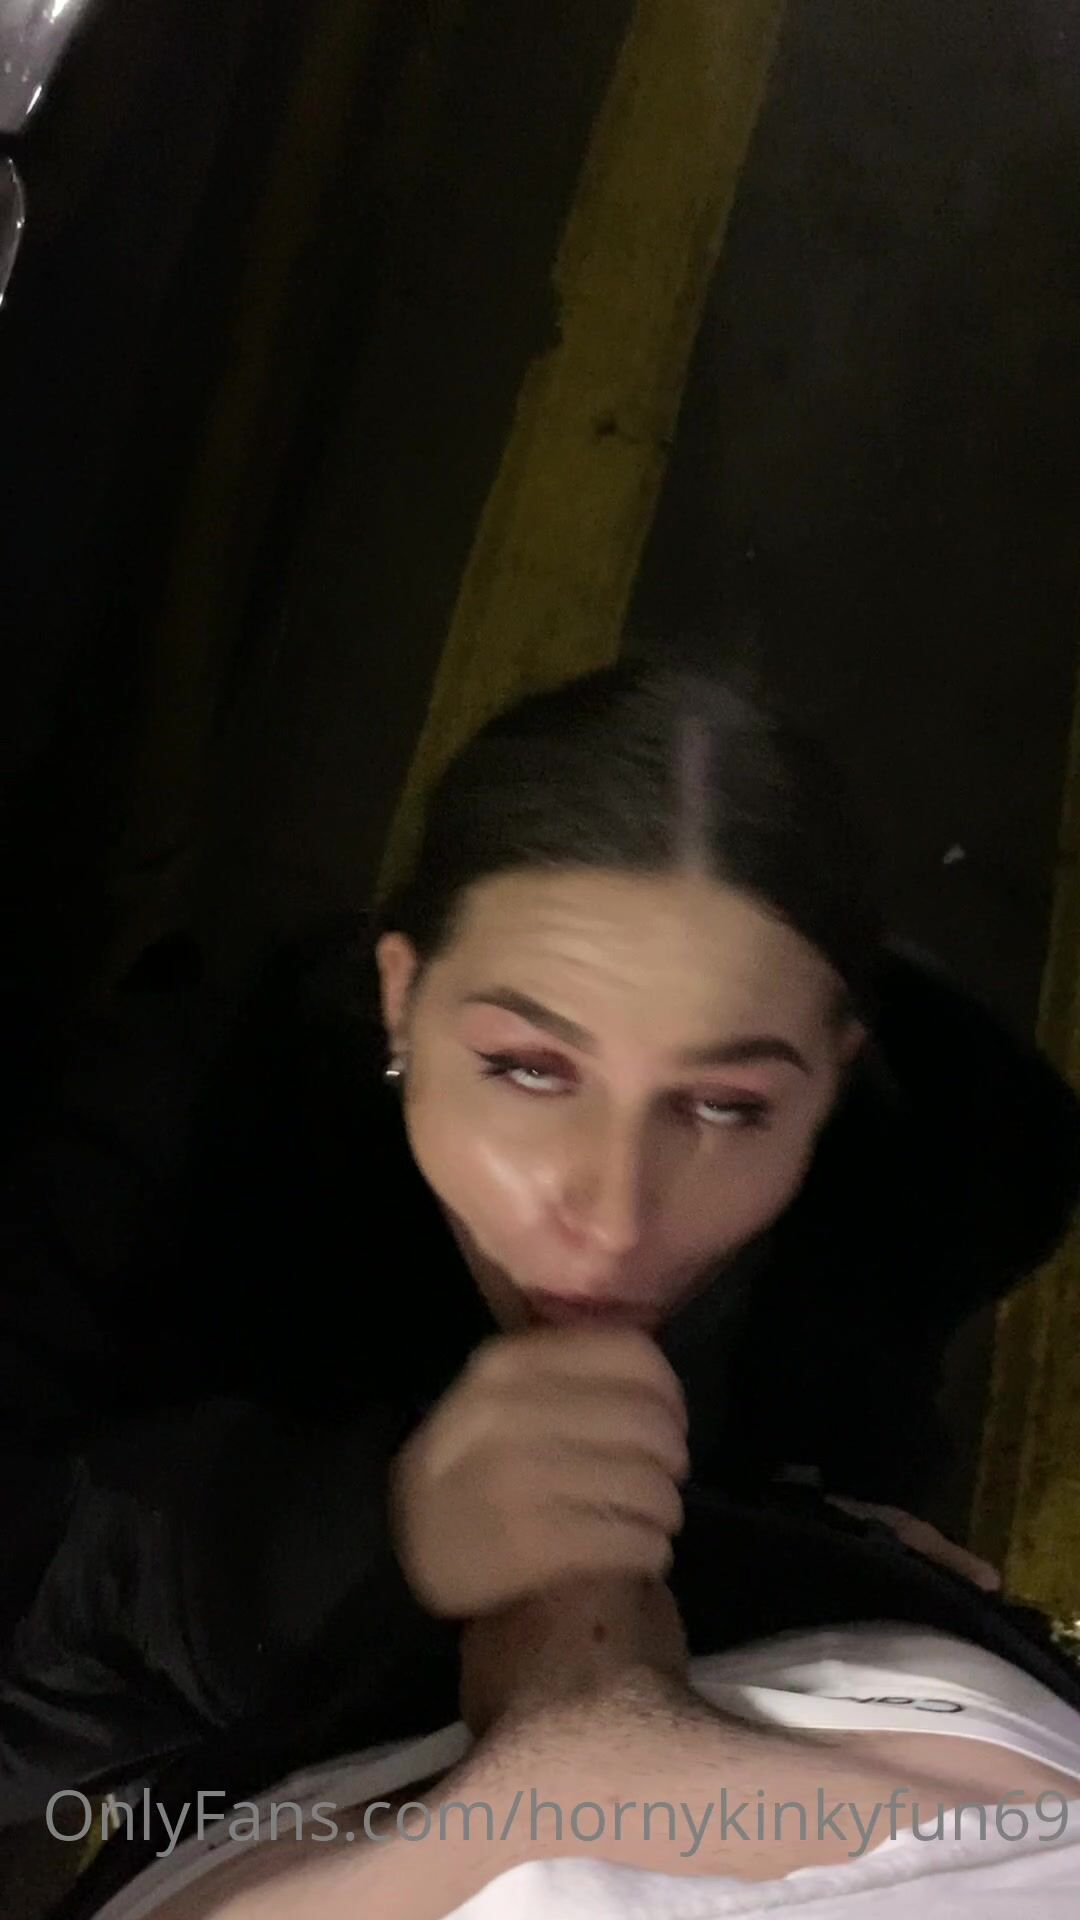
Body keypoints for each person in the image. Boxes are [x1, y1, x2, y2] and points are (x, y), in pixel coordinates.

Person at [1, 662, 1078, 1829]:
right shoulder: (190, 1124)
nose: (616, 1216)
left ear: (832, 1080)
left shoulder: (899, 1203)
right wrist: (337, 1553)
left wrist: (814, 1555)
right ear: (401, 1000)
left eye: (726, 1107)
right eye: (526, 1069)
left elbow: (861, 1426)